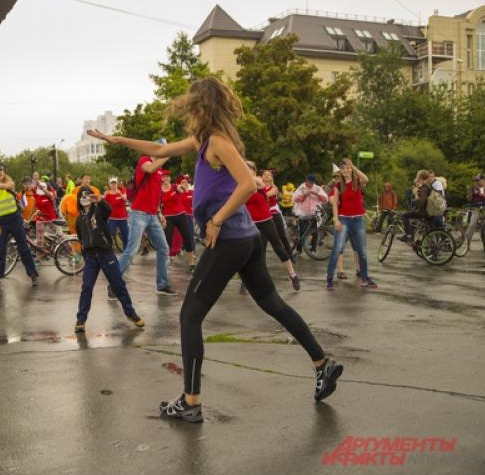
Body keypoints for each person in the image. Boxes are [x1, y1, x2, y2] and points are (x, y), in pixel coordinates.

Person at [90, 77, 342, 421]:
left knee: (189, 316)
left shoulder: (219, 143)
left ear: (201, 107)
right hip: (244, 238)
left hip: (230, 240)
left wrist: (218, 218)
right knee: (272, 303)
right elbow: (160, 150)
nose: (189, 113)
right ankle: (322, 364)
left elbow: (247, 184)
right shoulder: (203, 140)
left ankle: (191, 403)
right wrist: (117, 139)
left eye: (192, 106)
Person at [87, 133, 175, 297]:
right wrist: (167, 154)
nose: (163, 152)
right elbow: (150, 168)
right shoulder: (145, 161)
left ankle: (162, 285)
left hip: (152, 215)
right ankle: (114, 283)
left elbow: (155, 194)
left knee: (163, 249)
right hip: (139, 214)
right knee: (131, 250)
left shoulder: (159, 170)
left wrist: (159, 213)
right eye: (161, 149)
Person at [73, 186, 145, 333]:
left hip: (106, 254)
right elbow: (82, 240)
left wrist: (99, 200)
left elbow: (109, 210)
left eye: (88, 195)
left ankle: (131, 313)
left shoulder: (99, 211)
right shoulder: (79, 220)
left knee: (118, 285)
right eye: (82, 195)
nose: (85, 198)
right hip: (91, 258)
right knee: (86, 287)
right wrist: (85, 256)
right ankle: (81, 319)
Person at [245, 163, 300, 291]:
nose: (245, 171)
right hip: (252, 223)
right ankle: (247, 281)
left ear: (253, 171)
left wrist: (241, 173)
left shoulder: (258, 181)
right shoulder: (243, 185)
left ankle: (293, 274)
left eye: (248, 169)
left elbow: (259, 184)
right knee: (255, 251)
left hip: (266, 220)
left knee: (278, 246)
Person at [326, 158, 377, 291]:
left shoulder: (358, 182)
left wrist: (352, 166)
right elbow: (335, 204)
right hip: (344, 220)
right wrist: (336, 220)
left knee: (362, 252)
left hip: (358, 220)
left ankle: (365, 278)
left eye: (348, 168)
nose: (346, 170)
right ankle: (329, 279)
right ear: (341, 171)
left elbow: (366, 179)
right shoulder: (338, 186)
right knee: (337, 249)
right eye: (344, 168)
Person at [0, 164, 38, 289]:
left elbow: (7, 186)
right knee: (0, 251)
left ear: (4, 172)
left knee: (23, 248)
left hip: (15, 219)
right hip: (1, 222)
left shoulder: (10, 182)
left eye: (1, 171)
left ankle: (32, 274)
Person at [161, 170, 197, 270]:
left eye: (168, 176)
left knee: (187, 237)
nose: (167, 178)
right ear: (161, 178)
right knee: (167, 239)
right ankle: (165, 261)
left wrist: (183, 188)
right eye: (164, 176)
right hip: (168, 217)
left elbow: (181, 189)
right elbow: (158, 205)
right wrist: (161, 216)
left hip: (181, 215)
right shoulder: (159, 191)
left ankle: (191, 262)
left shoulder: (174, 186)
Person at [292, 174, 328, 253]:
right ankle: (299, 250)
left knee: (315, 231)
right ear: (306, 180)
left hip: (316, 212)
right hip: (303, 212)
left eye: (312, 182)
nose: (310, 183)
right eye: (309, 181)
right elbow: (295, 199)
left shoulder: (318, 188)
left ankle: (313, 249)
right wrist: (304, 194)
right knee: (302, 231)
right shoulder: (301, 188)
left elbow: (325, 199)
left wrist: (317, 194)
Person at [261, 169, 292, 259]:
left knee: (282, 235)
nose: (266, 176)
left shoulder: (274, 188)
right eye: (264, 174)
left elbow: (267, 195)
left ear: (271, 178)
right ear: (261, 177)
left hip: (274, 213)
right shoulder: (258, 187)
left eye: (269, 175)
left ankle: (290, 255)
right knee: (263, 239)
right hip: (264, 214)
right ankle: (262, 259)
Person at [399, 170, 432, 242]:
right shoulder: (426, 186)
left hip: (424, 212)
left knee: (405, 215)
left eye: (418, 176)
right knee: (413, 219)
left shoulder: (424, 188)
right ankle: (411, 236)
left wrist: (416, 196)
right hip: (426, 211)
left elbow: (421, 202)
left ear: (420, 177)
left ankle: (408, 235)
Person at [104, 177, 129, 249]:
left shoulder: (122, 191)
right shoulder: (108, 194)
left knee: (125, 235)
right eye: (112, 183)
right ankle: (108, 249)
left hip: (122, 218)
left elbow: (125, 199)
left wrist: (120, 194)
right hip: (112, 218)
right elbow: (104, 204)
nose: (113, 185)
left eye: (114, 183)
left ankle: (126, 251)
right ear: (109, 185)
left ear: (117, 184)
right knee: (109, 234)